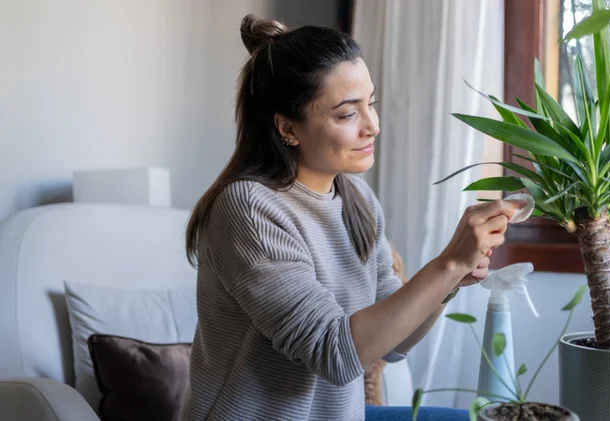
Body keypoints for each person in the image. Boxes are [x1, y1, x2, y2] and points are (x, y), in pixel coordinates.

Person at [179, 14, 522, 421]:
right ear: (288, 128)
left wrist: (449, 280)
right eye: (347, 114)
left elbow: (395, 344)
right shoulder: (248, 209)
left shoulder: (355, 197)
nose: (373, 126)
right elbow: (336, 355)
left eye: (371, 104)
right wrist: (446, 263)